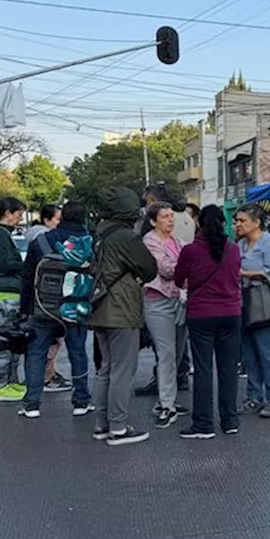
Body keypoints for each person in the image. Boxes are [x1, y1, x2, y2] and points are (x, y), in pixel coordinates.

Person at [88, 187, 158, 446]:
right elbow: (149, 268)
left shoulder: (99, 233)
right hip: (121, 308)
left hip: (97, 306)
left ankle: (101, 423)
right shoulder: (126, 237)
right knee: (122, 370)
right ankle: (118, 427)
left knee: (105, 368)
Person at [18, 203, 94, 418]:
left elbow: (27, 277)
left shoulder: (41, 241)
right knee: (78, 352)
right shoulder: (90, 243)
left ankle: (32, 403)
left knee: (36, 352)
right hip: (76, 305)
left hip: (43, 306)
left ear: (61, 217)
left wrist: (26, 309)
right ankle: (81, 400)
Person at [174, 205, 243, 439]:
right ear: (223, 224)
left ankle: (203, 423)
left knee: (203, 370)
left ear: (199, 225)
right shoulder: (233, 250)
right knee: (228, 369)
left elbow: (177, 279)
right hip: (231, 313)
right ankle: (230, 420)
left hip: (201, 315)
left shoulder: (191, 250)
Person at [234, 205, 270, 419]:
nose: (237, 224)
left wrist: (244, 273)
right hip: (244, 301)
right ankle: (254, 396)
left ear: (256, 222)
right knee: (249, 352)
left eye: (242, 221)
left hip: (265, 302)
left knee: (268, 352)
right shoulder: (238, 246)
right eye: (236, 221)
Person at [142, 202, 189, 428]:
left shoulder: (177, 242)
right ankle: (166, 404)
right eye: (165, 217)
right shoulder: (150, 242)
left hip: (178, 300)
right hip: (158, 300)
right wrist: (186, 266)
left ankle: (166, 397)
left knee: (177, 353)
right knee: (167, 353)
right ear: (153, 221)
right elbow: (166, 269)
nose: (171, 220)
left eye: (172, 216)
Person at [0, 197, 27, 403]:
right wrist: (25, 266)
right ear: (7, 214)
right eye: (18, 214)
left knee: (15, 340)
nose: (19, 218)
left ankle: (10, 382)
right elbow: (6, 263)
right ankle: (1, 386)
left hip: (7, 292)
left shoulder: (1, 234)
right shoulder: (1, 235)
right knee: (9, 340)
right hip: (8, 292)